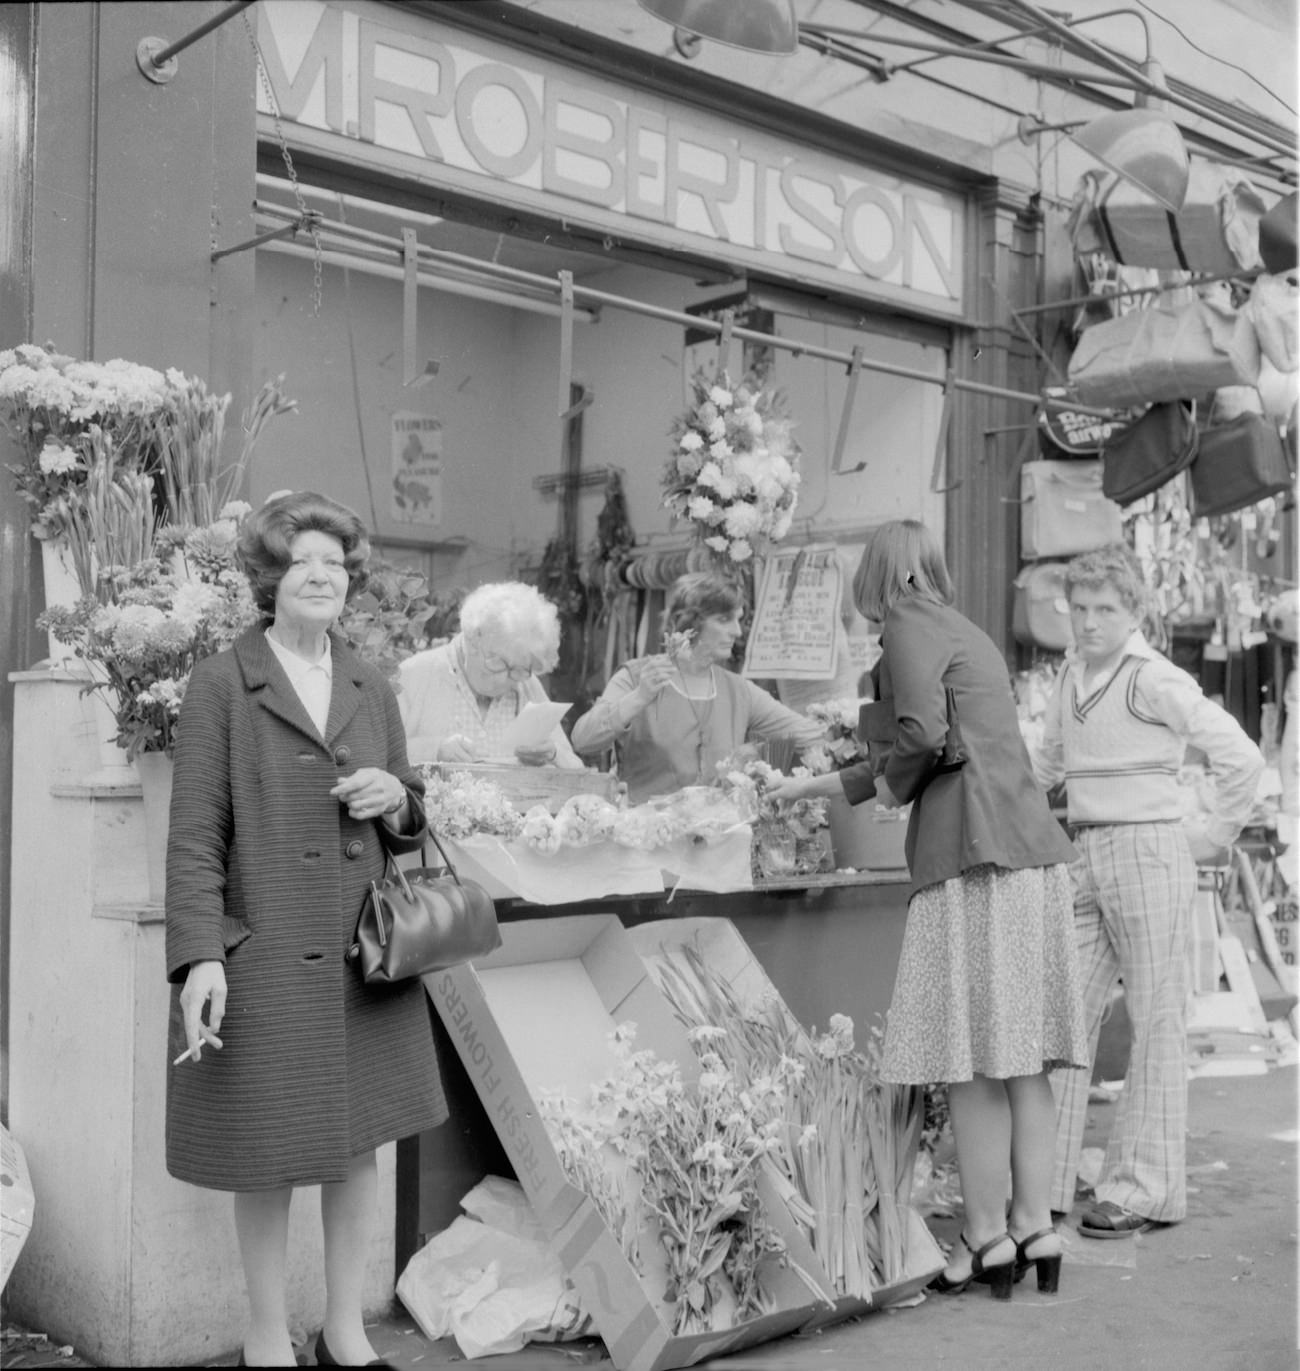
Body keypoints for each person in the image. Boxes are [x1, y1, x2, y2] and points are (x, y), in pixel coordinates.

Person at [769, 520, 1087, 1298]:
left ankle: (982, 1238)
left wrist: (886, 789)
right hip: (1026, 854)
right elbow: (932, 737)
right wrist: (815, 787)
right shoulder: (959, 625)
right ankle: (1032, 1225)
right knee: (1020, 1060)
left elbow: (919, 734)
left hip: (969, 855)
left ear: (873, 573)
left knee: (969, 1060)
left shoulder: (906, 623)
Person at [165, 491, 445, 1369]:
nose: (322, 574)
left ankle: (345, 1329)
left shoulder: (371, 680)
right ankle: (262, 1334)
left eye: (336, 561)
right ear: (270, 578)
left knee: (357, 1146)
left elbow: (410, 806)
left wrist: (396, 796)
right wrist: (200, 958)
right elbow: (195, 836)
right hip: (270, 953)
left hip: (362, 956)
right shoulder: (221, 683)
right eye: (303, 560)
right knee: (268, 1152)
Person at [1033, 544, 1264, 1239]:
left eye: (1106, 608)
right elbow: (1043, 764)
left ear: (1135, 612)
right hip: (1087, 847)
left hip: (1148, 847)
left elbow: (1241, 758)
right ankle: (1043, 1178)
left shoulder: (1153, 677)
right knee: (1063, 1011)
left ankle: (1144, 1187)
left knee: (1156, 1017)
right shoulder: (1072, 674)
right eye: (1079, 608)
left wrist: (1209, 832)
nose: (1090, 621)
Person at [569, 571, 825, 803]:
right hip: (645, 844)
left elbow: (809, 735)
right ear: (690, 622)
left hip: (717, 846)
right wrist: (639, 697)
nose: (737, 631)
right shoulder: (636, 677)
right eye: (724, 619)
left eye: (739, 619)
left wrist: (846, 725)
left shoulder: (739, 690)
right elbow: (583, 739)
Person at [397, 581, 584, 769]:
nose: (505, 680)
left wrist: (553, 754)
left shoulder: (526, 684)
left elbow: (575, 770)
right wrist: (435, 749)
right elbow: (378, 759)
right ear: (472, 639)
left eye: (519, 670)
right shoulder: (415, 676)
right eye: (498, 664)